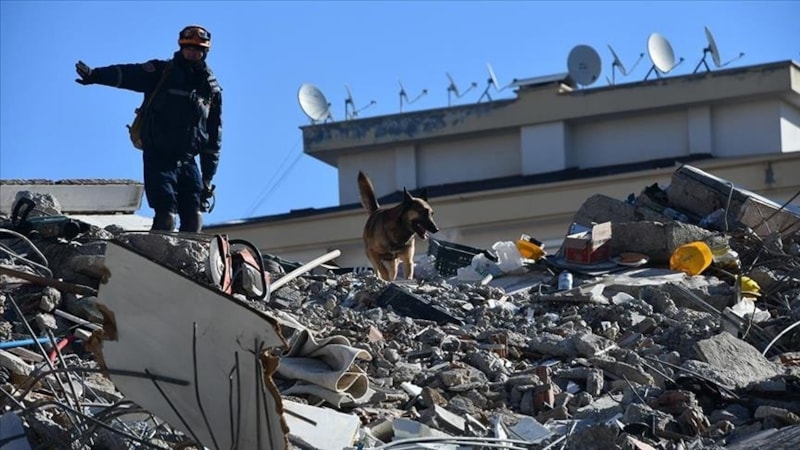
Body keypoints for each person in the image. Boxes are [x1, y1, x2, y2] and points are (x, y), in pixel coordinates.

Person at [75, 25, 222, 232]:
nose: (192, 52)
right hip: (159, 155)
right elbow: (128, 74)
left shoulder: (210, 88)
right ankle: (159, 254)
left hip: (189, 160)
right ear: (181, 47)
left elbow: (214, 136)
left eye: (197, 49)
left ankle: (186, 261)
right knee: (166, 211)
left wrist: (208, 177)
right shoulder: (162, 72)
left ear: (204, 52)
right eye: (188, 47)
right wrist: (95, 75)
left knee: (194, 214)